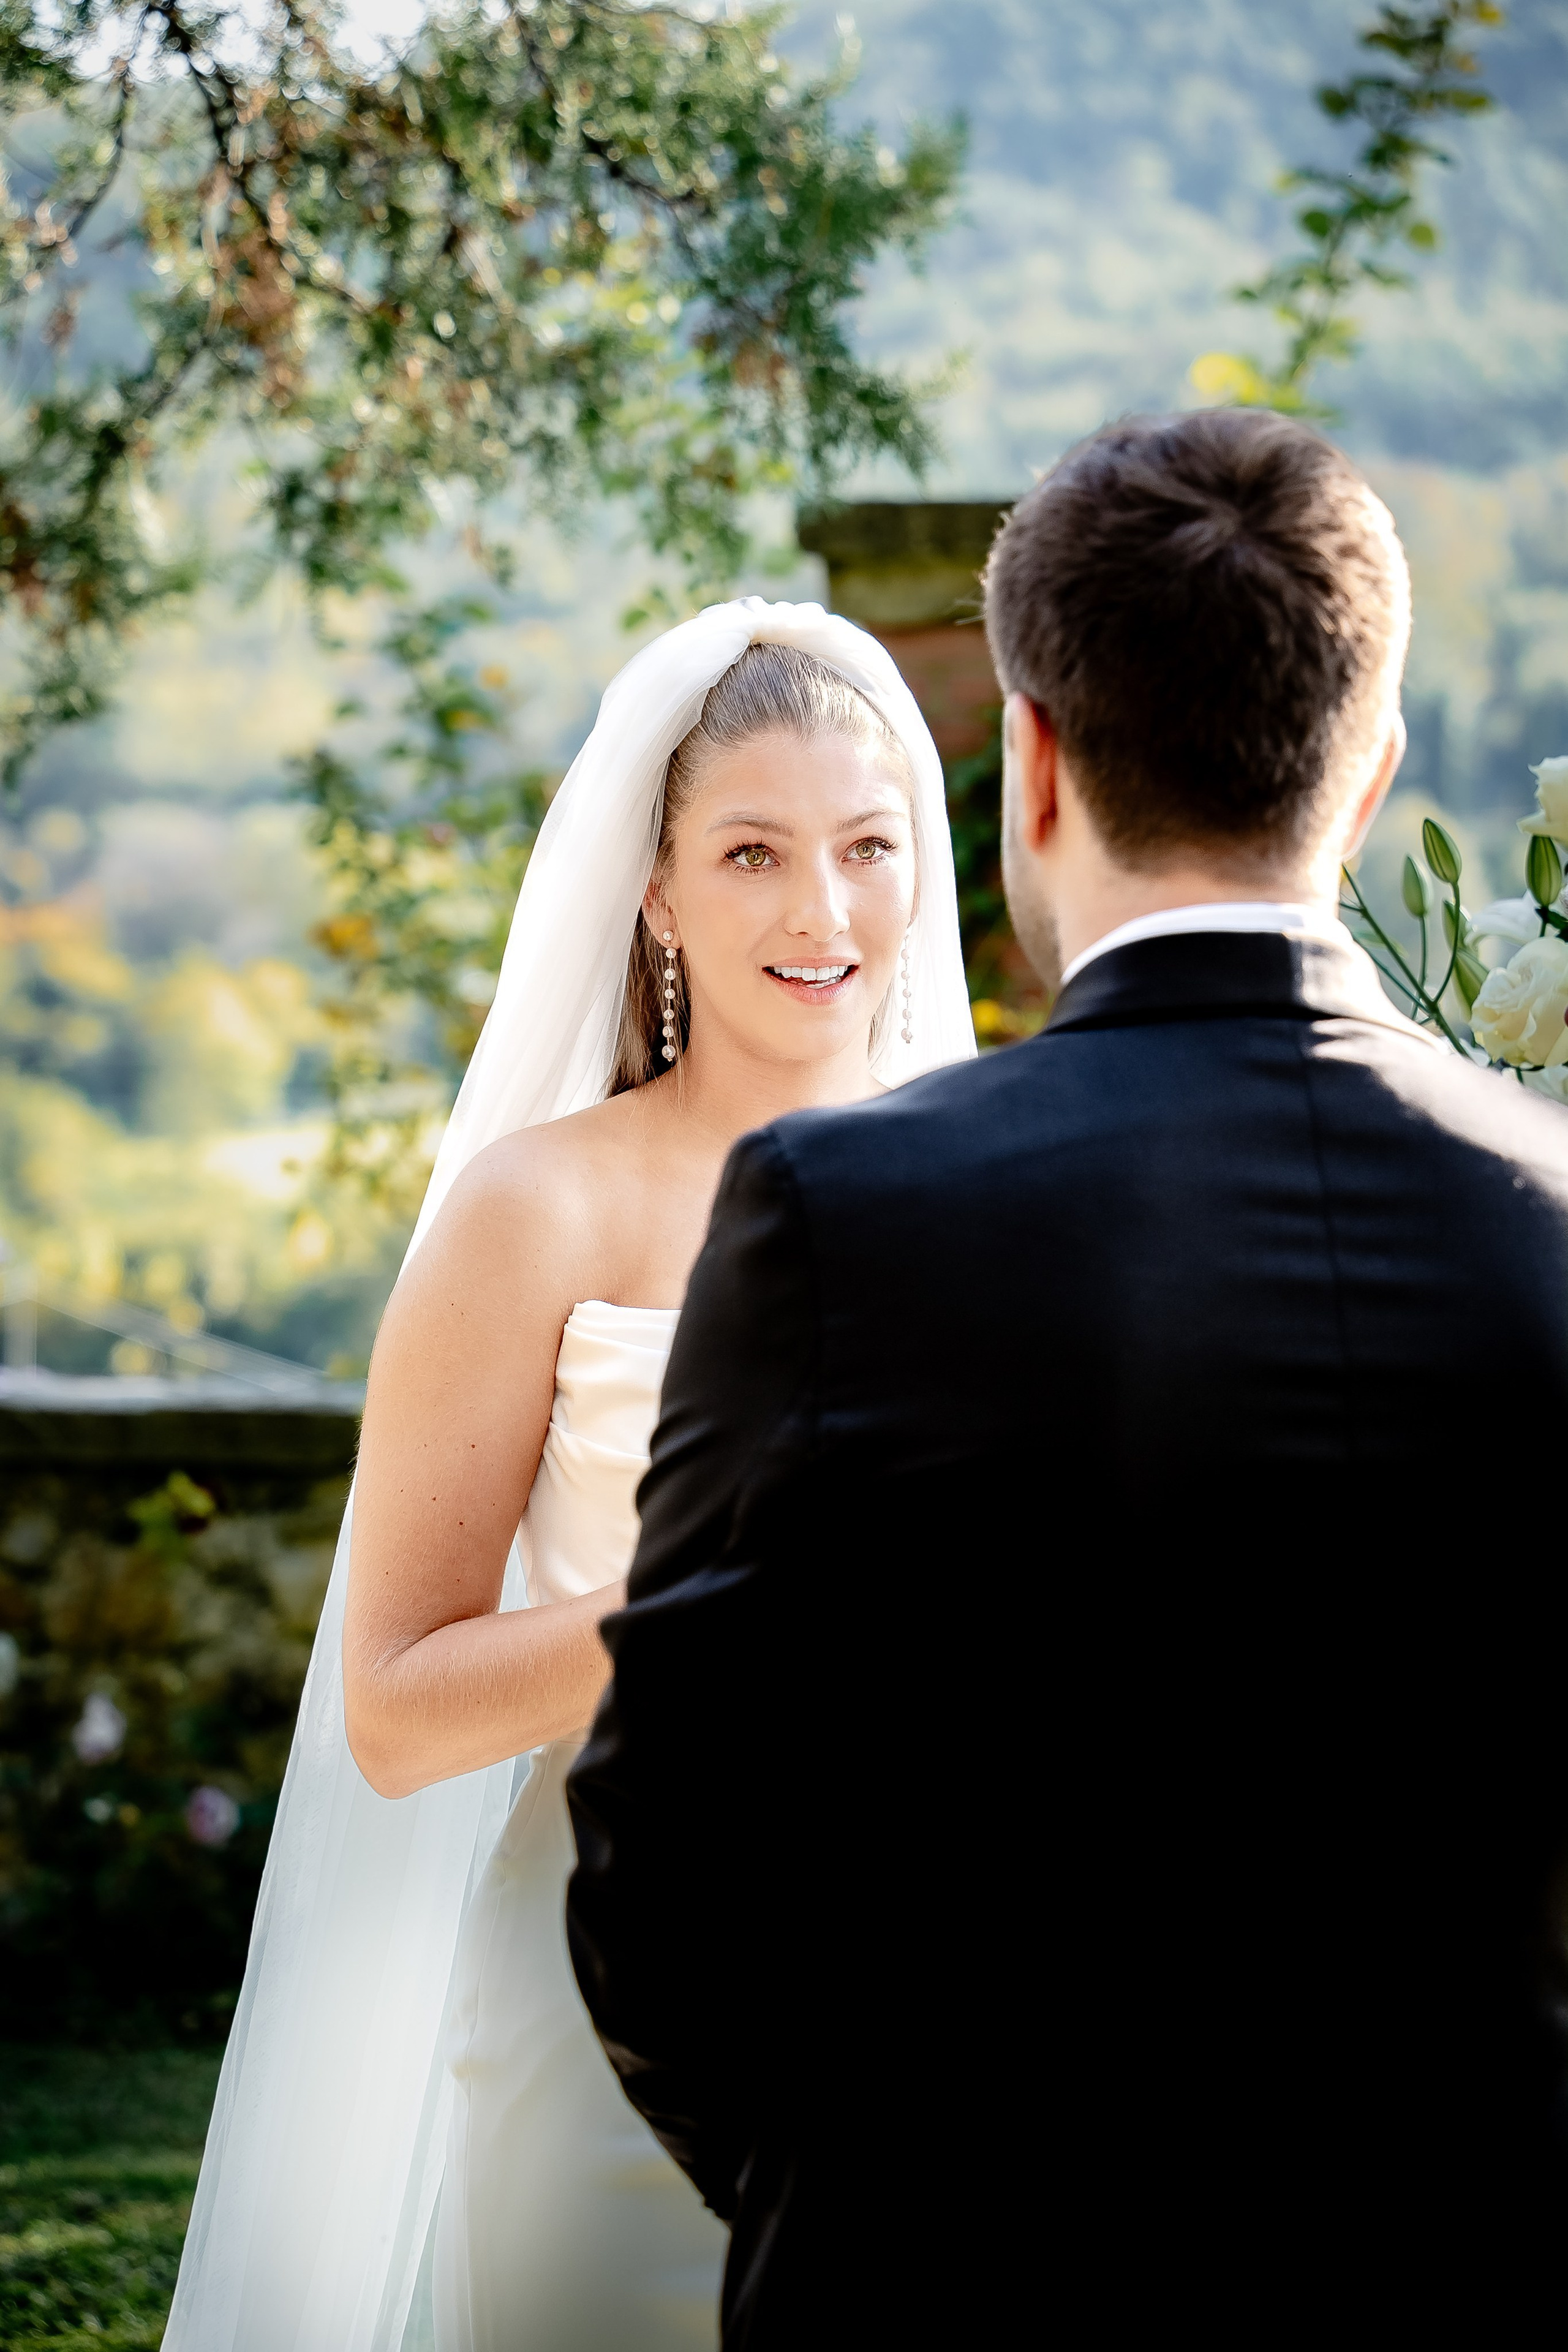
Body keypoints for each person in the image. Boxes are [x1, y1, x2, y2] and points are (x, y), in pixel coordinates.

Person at [566, 412, 1568, 2346]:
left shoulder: (840, 1209)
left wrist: (866, 2203)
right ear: (1367, 780)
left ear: (1027, 765)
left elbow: (663, 1869)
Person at [162, 600, 975, 2352]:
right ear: (659, 890)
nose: (821, 911)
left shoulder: (999, 1196)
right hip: (605, 2010)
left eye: (866, 847)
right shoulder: (536, 1210)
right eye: (753, 853)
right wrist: (712, 1611)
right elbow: (393, 1712)